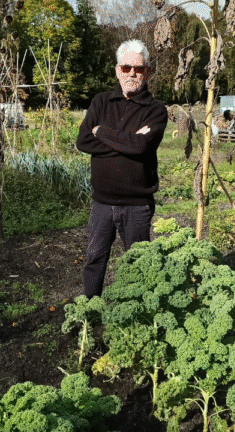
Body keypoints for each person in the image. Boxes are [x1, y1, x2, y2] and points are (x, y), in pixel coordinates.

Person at [75, 39, 169, 298]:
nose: (131, 74)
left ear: (147, 71)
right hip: (101, 204)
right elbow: (83, 141)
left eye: (138, 69)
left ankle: (137, 316)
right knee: (94, 261)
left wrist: (102, 132)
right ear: (117, 69)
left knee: (139, 265)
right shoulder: (101, 101)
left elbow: (140, 147)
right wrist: (127, 140)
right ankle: (90, 313)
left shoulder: (156, 110)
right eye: (126, 68)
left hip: (137, 205)